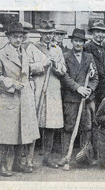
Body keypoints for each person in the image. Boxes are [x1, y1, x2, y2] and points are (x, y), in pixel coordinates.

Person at [0, 22, 40, 176]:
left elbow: (27, 73)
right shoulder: (0, 55)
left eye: (21, 37)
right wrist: (11, 83)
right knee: (7, 133)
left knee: (22, 132)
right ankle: (3, 165)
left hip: (24, 98)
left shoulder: (24, 53)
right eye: (15, 37)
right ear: (8, 37)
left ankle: (17, 163)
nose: (18, 40)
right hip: (9, 98)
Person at [26, 20, 66, 169]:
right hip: (38, 89)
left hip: (53, 90)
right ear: (40, 34)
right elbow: (27, 68)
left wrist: (56, 65)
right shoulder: (32, 48)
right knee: (34, 123)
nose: (49, 37)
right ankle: (29, 158)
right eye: (46, 34)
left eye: (51, 34)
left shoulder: (57, 49)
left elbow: (63, 70)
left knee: (51, 125)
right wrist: (43, 64)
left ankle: (47, 157)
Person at [59, 28, 99, 167]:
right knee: (69, 127)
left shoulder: (89, 57)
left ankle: (85, 156)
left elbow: (95, 78)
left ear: (83, 43)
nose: (78, 44)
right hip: (71, 98)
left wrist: (89, 89)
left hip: (86, 99)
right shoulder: (65, 56)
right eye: (75, 41)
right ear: (71, 41)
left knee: (86, 127)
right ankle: (66, 156)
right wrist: (78, 88)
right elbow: (65, 77)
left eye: (80, 41)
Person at [84, 20, 105, 107]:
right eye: (98, 31)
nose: (100, 34)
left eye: (102, 32)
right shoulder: (87, 47)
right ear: (93, 33)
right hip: (95, 87)